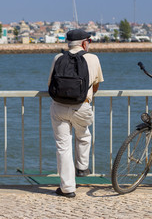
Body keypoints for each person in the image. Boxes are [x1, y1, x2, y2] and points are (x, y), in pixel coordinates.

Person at [48, 29, 104, 197]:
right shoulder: (93, 58)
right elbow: (96, 85)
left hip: (58, 107)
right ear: (84, 43)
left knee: (63, 147)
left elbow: (51, 83)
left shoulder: (58, 58)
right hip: (81, 107)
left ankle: (67, 189)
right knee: (84, 135)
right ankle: (82, 167)